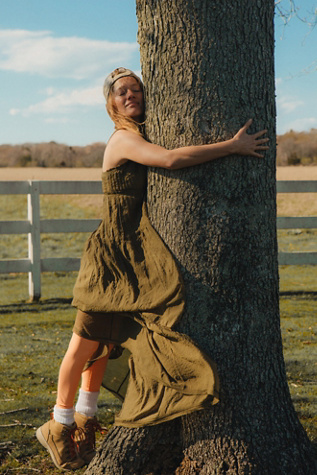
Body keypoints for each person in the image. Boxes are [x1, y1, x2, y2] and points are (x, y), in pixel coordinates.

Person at [36, 67, 269, 471]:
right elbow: (171, 159)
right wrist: (231, 146)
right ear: (110, 103)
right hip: (110, 257)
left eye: (136, 90)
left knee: (106, 343)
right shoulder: (124, 138)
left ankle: (87, 421)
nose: (131, 96)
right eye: (122, 92)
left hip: (131, 258)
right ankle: (57, 424)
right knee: (84, 340)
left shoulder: (137, 133)